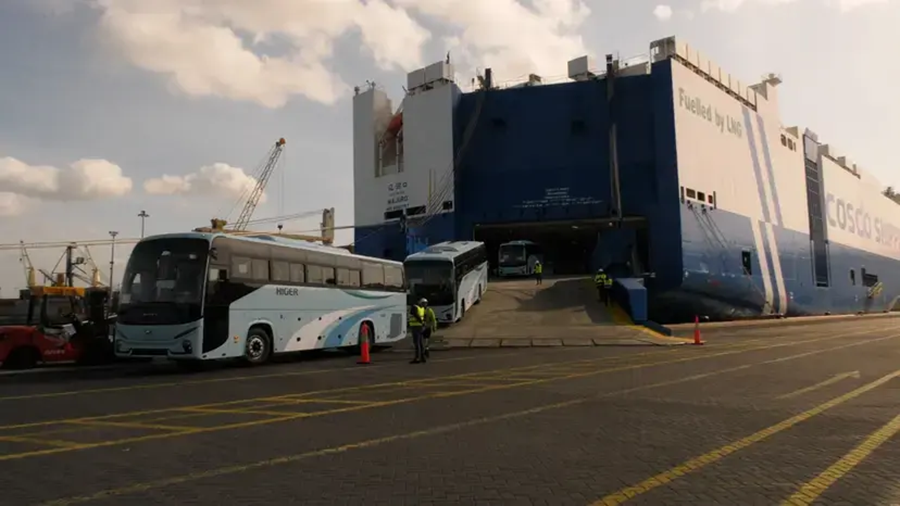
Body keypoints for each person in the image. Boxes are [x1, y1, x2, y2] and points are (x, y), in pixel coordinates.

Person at [408, 298, 427, 364]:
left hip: (416, 326)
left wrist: (421, 321)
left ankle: (417, 358)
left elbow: (415, 315)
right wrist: (423, 323)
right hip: (421, 327)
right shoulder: (422, 309)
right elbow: (424, 317)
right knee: (421, 342)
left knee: (417, 343)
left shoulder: (415, 307)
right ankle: (422, 357)